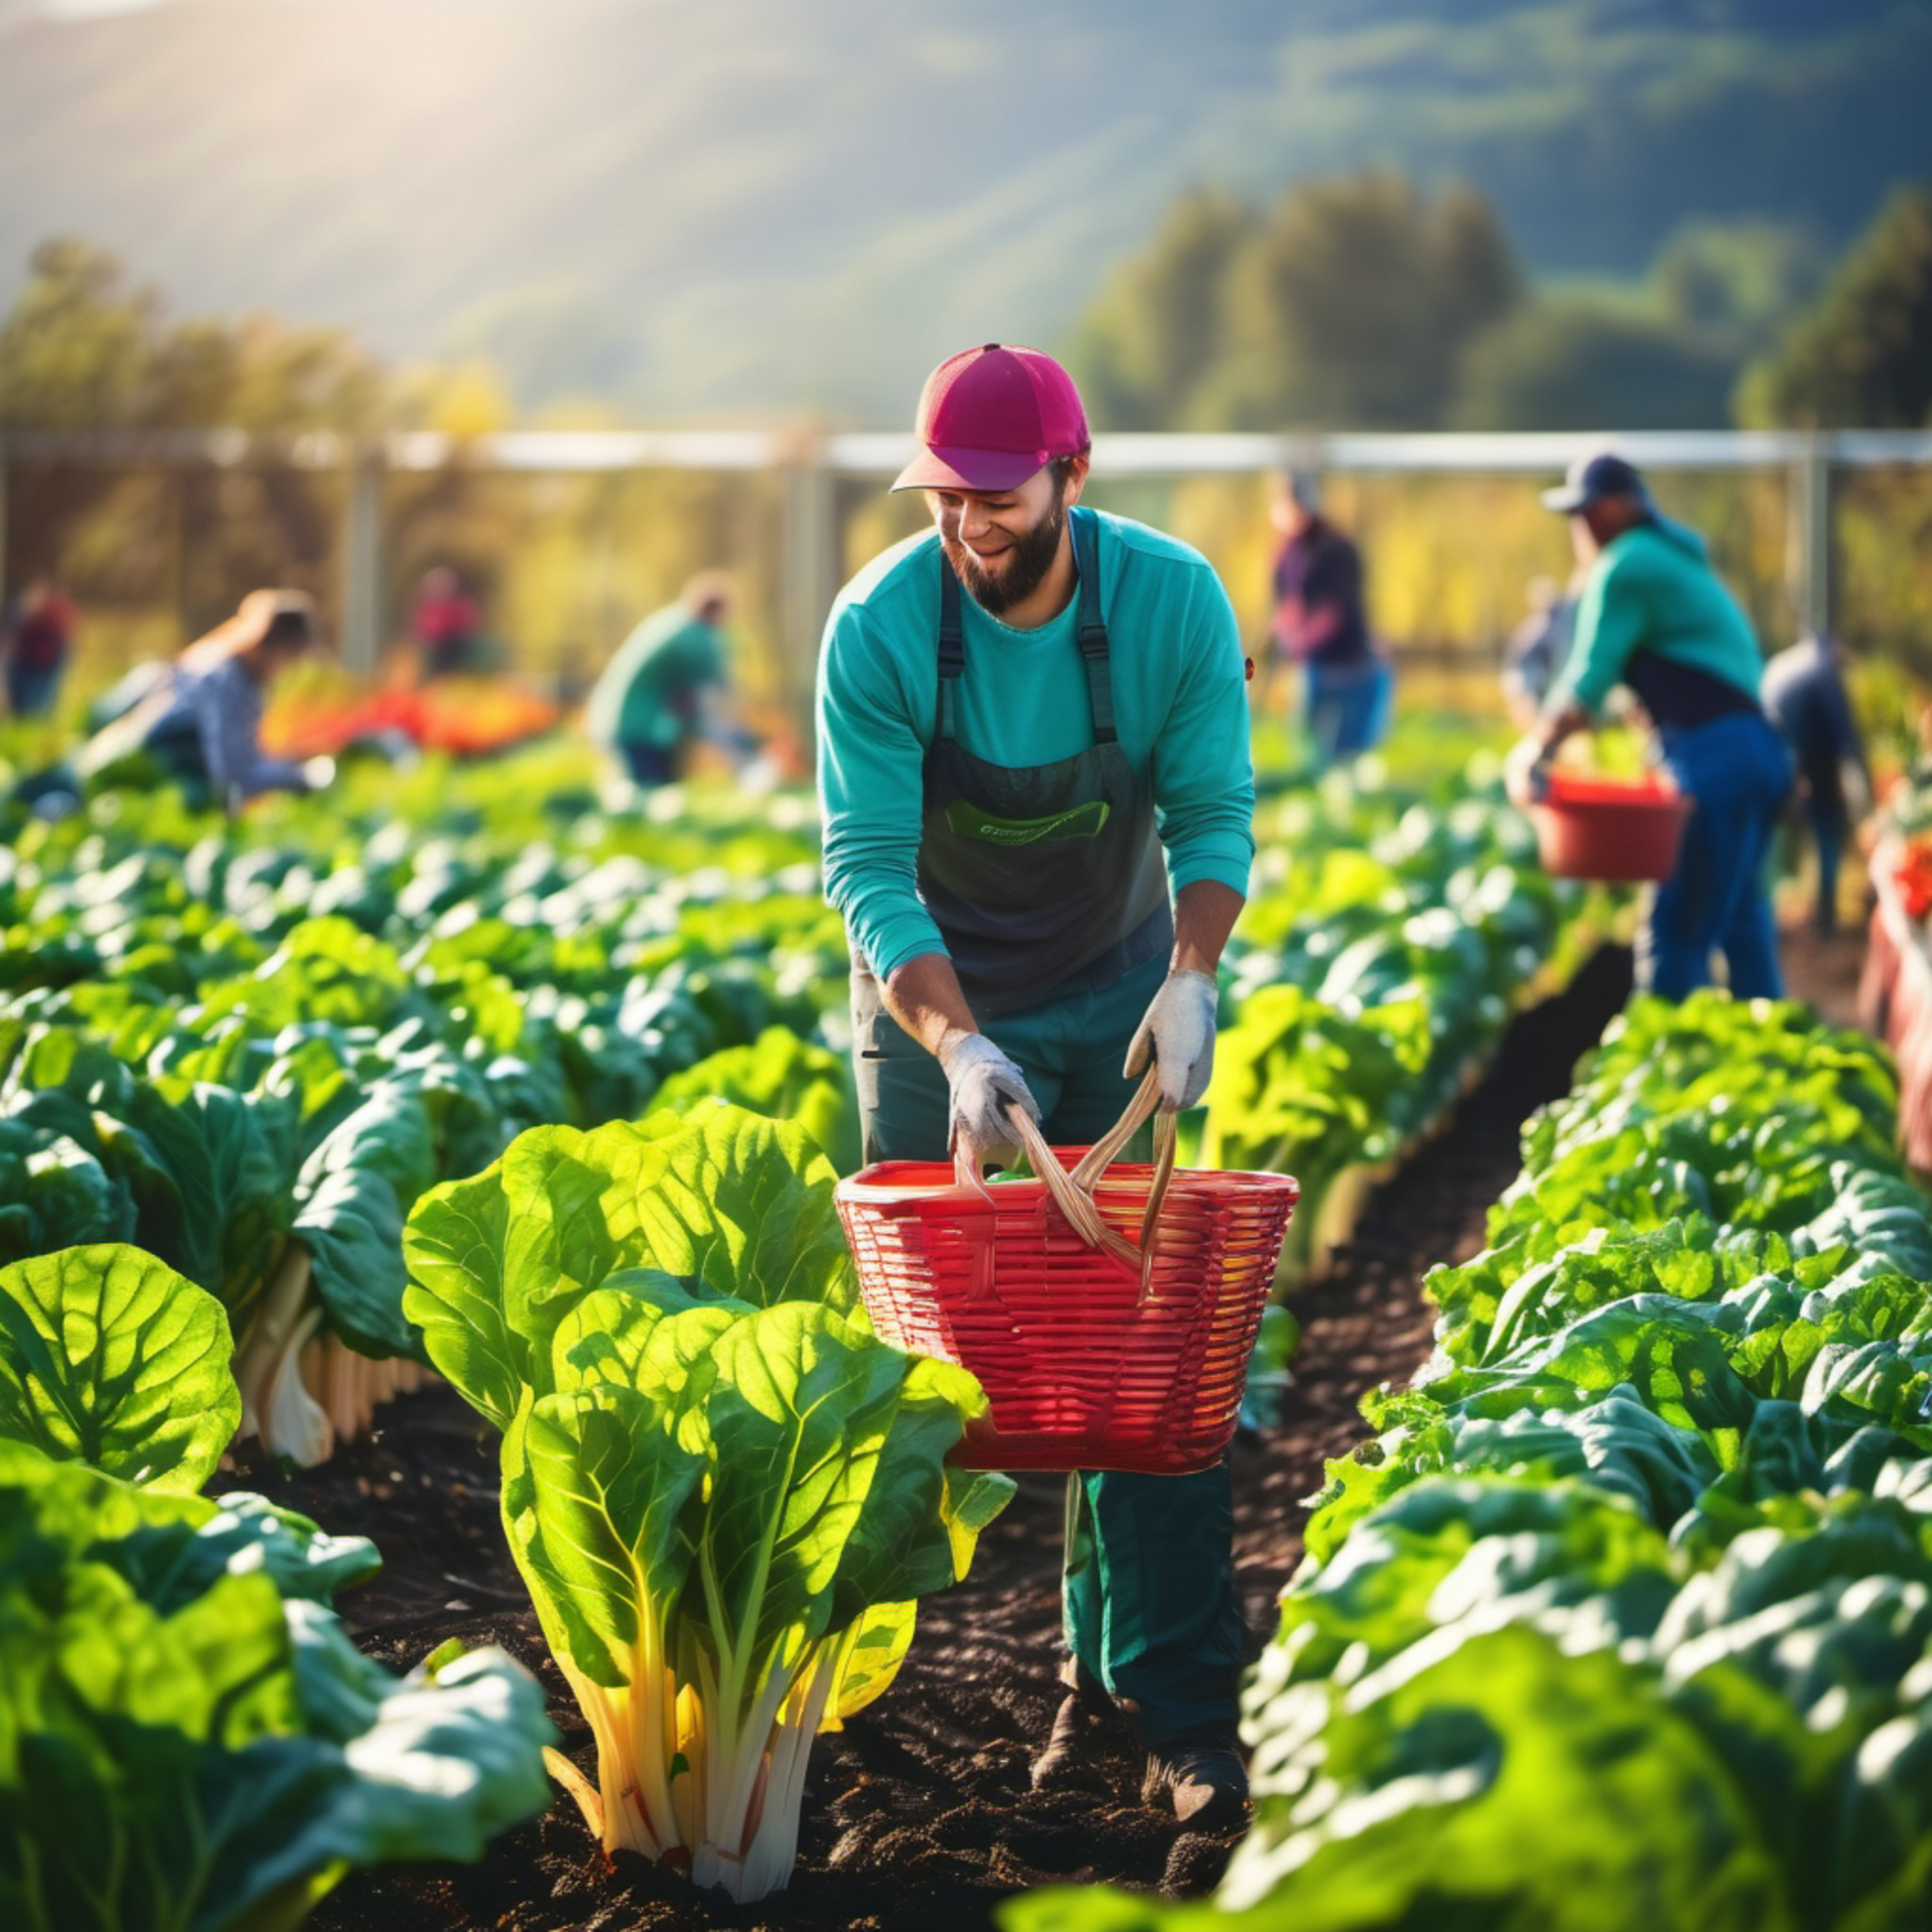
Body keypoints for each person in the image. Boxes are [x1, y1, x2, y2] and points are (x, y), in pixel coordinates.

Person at [815, 343, 1256, 1827]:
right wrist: (956, 1046)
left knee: (1140, 1370)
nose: (966, 525)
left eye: (994, 496)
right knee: (905, 1375)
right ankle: (812, 1711)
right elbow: (867, 867)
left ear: (1072, 474)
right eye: (943, 497)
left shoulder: (1171, 601)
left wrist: (1190, 979)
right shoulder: (879, 625)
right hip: (937, 1007)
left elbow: (1211, 814)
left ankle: (1169, 1710)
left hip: (1124, 992)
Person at [1507, 450, 1792, 999]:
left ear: (1609, 512)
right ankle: (1771, 1049)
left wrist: (1534, 751)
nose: (1578, 529)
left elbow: (1585, 680)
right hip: (1760, 752)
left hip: (1715, 761)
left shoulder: (1625, 564)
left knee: (1673, 934)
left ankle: (1665, 1066)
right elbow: (1701, 667)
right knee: (1740, 921)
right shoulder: (1673, 556)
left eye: (1582, 514)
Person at [76, 589, 331, 807]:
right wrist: (304, 778)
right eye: (291, 657)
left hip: (154, 775)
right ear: (274, 647)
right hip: (152, 779)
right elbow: (232, 772)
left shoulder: (228, 666)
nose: (289, 670)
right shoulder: (224, 679)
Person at [1260, 471, 1392, 764]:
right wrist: (1269, 653)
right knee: (1312, 756)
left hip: (1351, 670)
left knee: (1346, 759)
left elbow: (1333, 613)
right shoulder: (1287, 553)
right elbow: (1288, 609)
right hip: (1315, 671)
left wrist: (1297, 644)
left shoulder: (1335, 549)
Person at [587, 572, 744, 786]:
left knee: (634, 794)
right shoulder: (695, 635)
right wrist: (733, 735)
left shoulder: (670, 621)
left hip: (615, 718)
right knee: (649, 795)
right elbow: (712, 688)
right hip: (641, 728)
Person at [1761, 632, 1869, 934]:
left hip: (1771, 758)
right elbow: (1844, 732)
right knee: (1826, 833)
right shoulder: (1823, 671)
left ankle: (1770, 914)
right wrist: (1860, 784)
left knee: (1773, 843)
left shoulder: (1787, 664)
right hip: (1810, 765)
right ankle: (1825, 916)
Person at [1500, 571, 1581, 732]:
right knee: (1540, 725)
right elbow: (1519, 664)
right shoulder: (1537, 627)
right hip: (1531, 684)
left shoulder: (1553, 623)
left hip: (1542, 684)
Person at [2, 578, 76, 719]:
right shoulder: (32, 609)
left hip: (39, 661)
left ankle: (33, 719)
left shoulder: (50, 611)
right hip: (35, 660)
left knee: (33, 702)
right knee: (33, 701)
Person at [409, 566, 483, 681]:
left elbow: (468, 627)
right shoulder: (427, 608)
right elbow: (422, 629)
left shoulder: (460, 606)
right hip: (434, 651)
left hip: (456, 649)